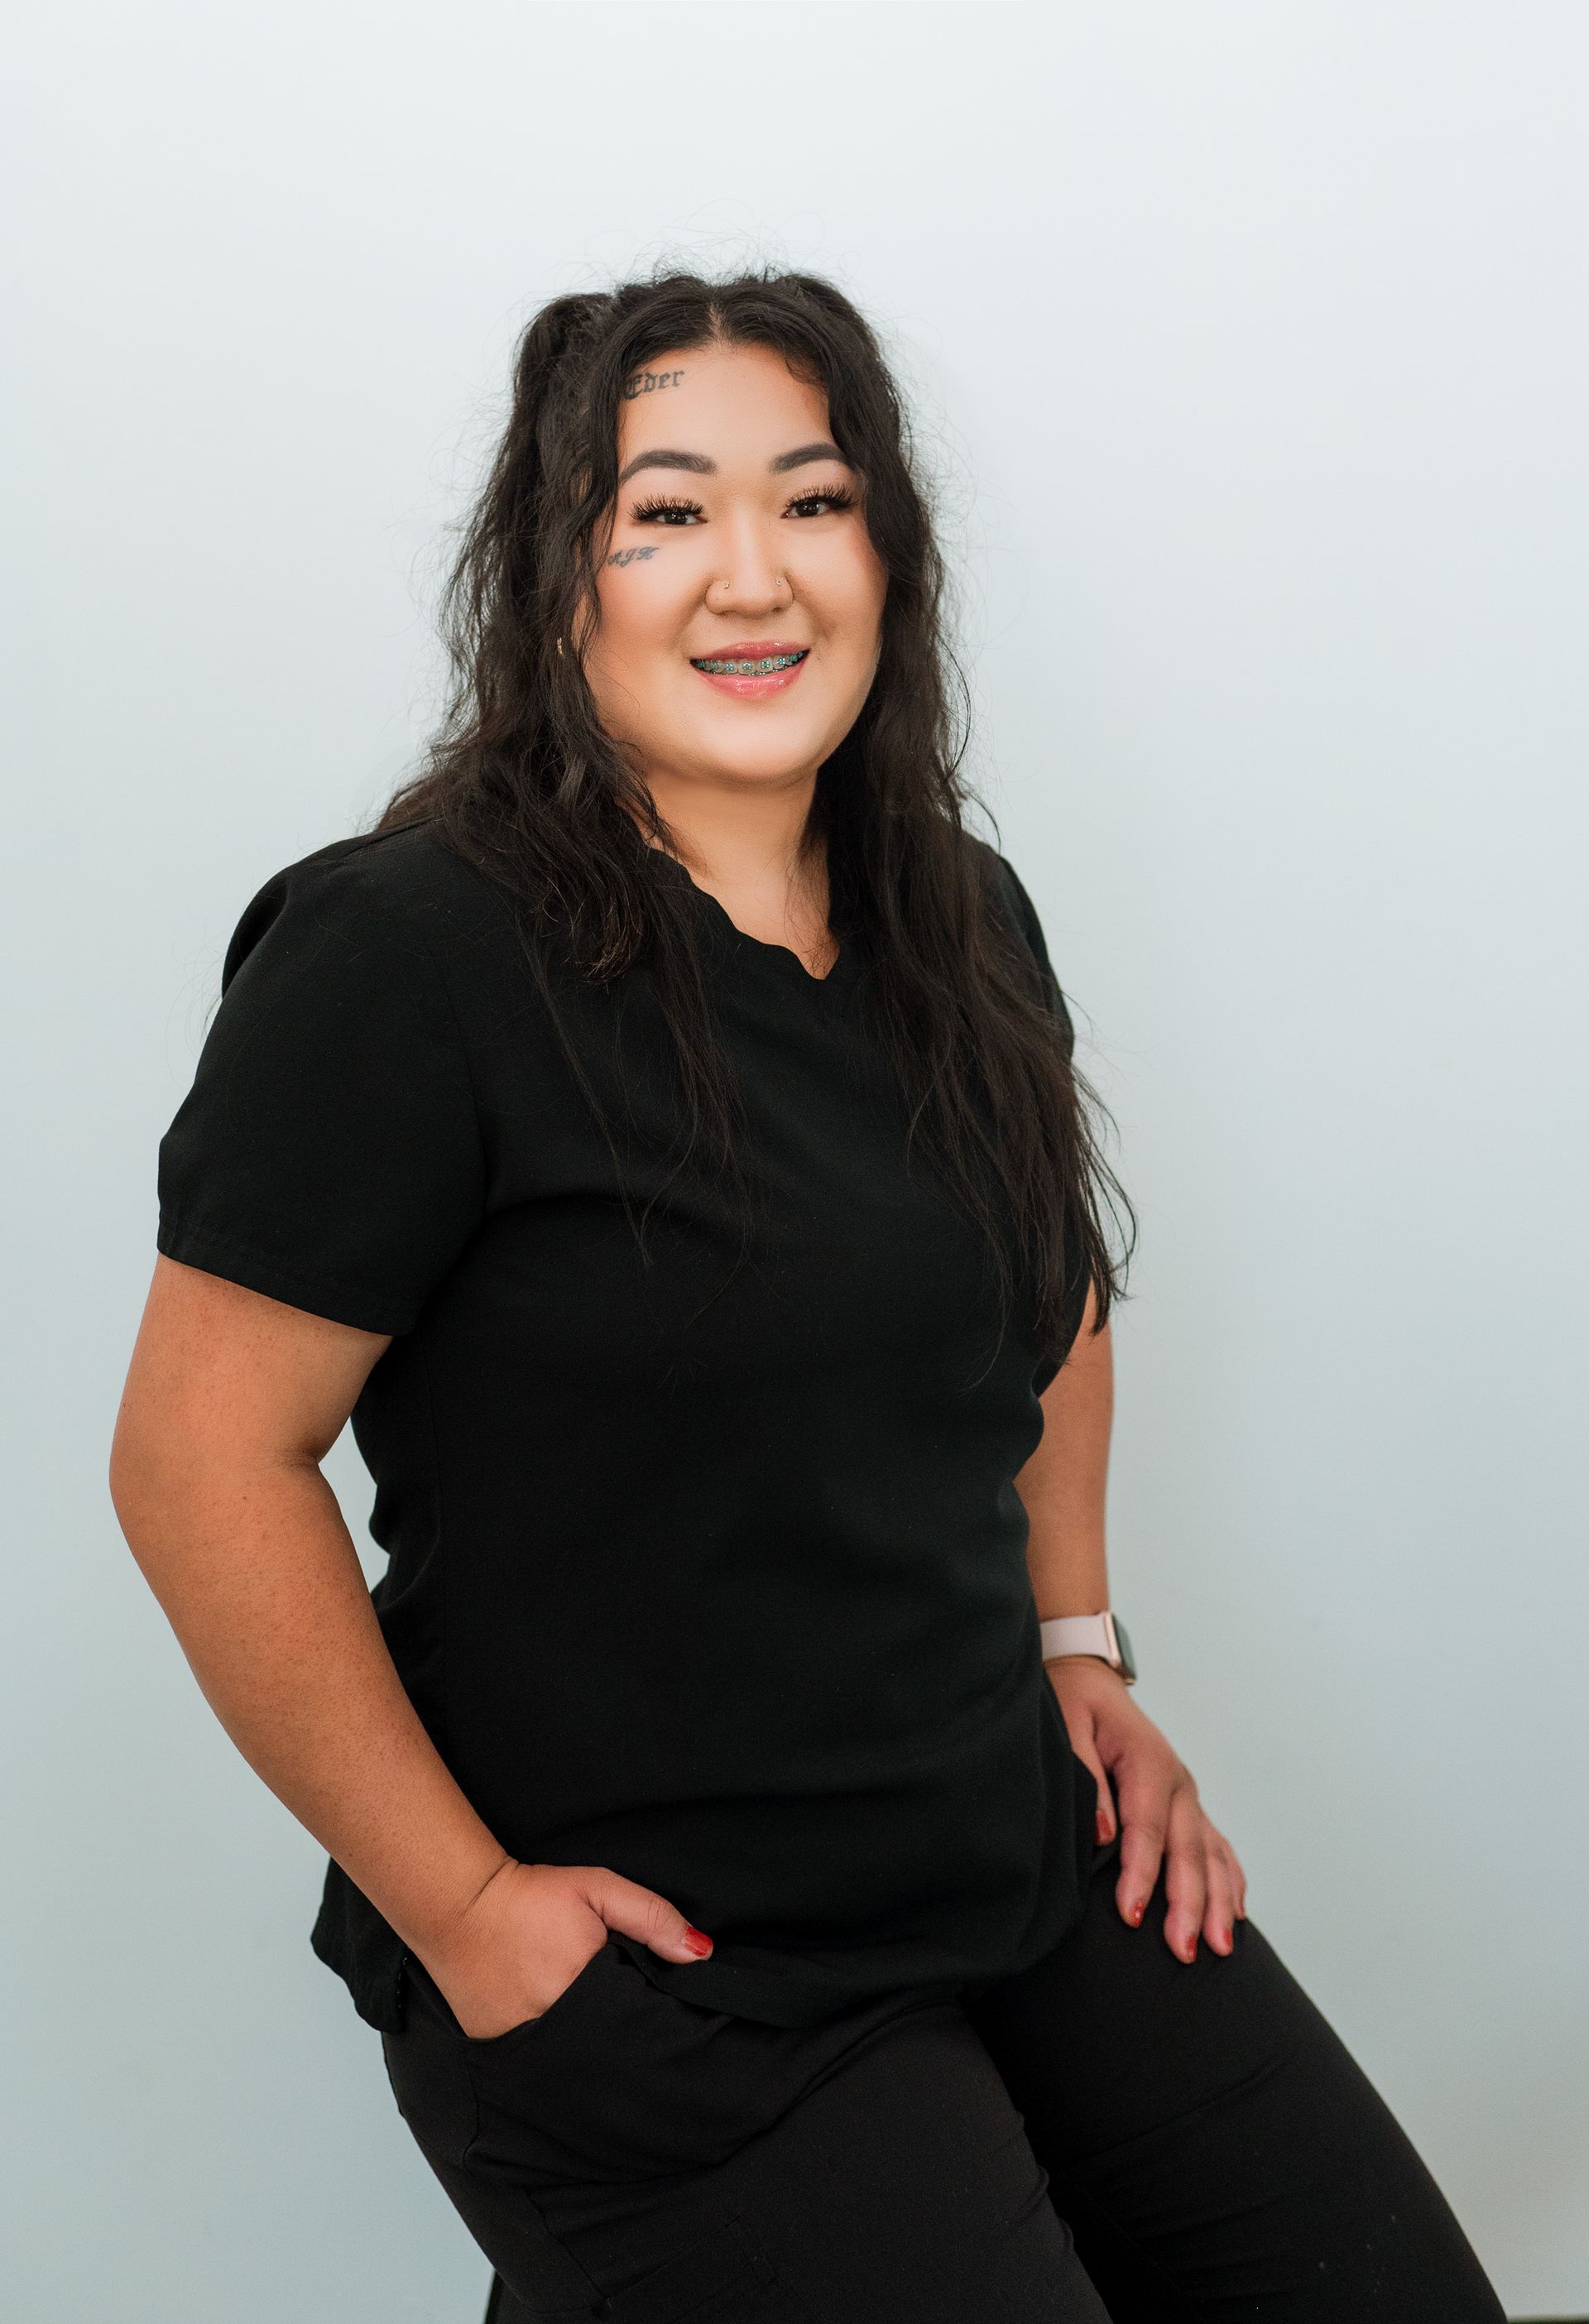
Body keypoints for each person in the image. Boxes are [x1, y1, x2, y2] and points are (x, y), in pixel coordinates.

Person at [109, 268, 1505, 2324]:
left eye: (814, 500)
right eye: (662, 509)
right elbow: (201, 1458)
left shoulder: (957, 910)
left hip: (1002, 1845)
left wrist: (1080, 1652)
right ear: (554, 569)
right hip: (674, 1971)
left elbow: (1051, 1299)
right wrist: (476, 1917)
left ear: (887, 554)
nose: (748, 576)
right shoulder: (403, 961)